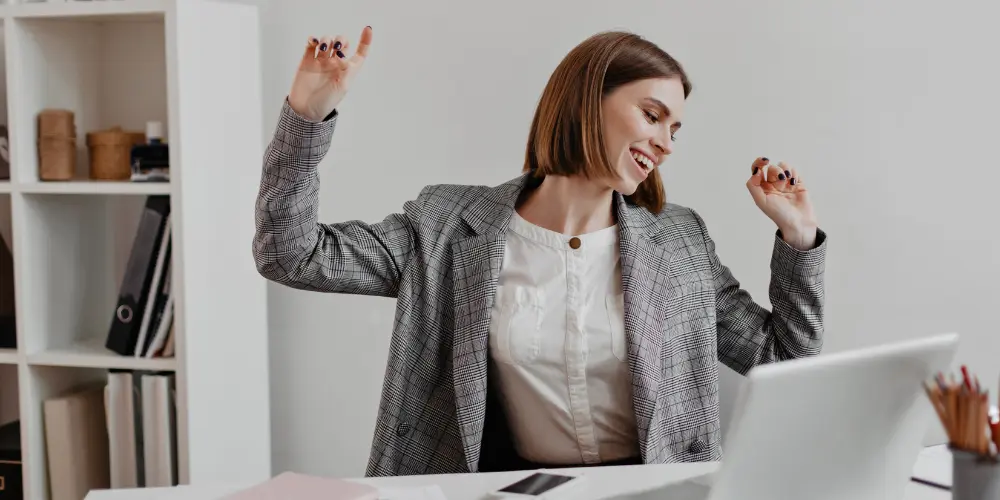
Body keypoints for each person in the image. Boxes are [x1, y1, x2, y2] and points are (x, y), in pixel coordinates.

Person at [253, 26, 827, 477]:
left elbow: (783, 361)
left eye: (675, 128)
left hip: (651, 490)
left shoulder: (679, 242)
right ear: (586, 101)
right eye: (652, 115)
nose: (665, 142)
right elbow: (291, 253)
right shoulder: (447, 227)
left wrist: (798, 238)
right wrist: (307, 116)